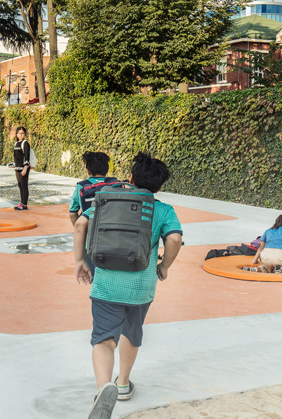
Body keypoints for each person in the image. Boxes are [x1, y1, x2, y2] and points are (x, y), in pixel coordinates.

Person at [74, 153, 183, 419]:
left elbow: (80, 224)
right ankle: (122, 384)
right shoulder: (163, 210)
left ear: (131, 178)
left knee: (103, 338)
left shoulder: (106, 200)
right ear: (159, 187)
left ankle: (104, 388)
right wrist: (164, 266)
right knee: (132, 333)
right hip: (141, 287)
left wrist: (80, 261)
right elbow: (175, 239)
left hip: (106, 283)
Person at [69, 152, 118, 278]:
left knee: (94, 276)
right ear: (107, 170)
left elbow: (72, 212)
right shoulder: (116, 184)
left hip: (90, 240)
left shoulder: (81, 186)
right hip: (114, 238)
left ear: (88, 170)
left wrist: (81, 229)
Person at [12, 126, 30, 210]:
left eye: (23, 133)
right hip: (17, 168)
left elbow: (27, 157)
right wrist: (14, 164)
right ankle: (22, 203)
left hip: (23, 168)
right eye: (19, 133)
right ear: (16, 134)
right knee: (20, 185)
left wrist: (25, 169)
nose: (21, 135)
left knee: (24, 185)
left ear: (25, 134)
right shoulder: (16, 143)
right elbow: (17, 156)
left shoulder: (25, 143)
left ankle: (24, 204)